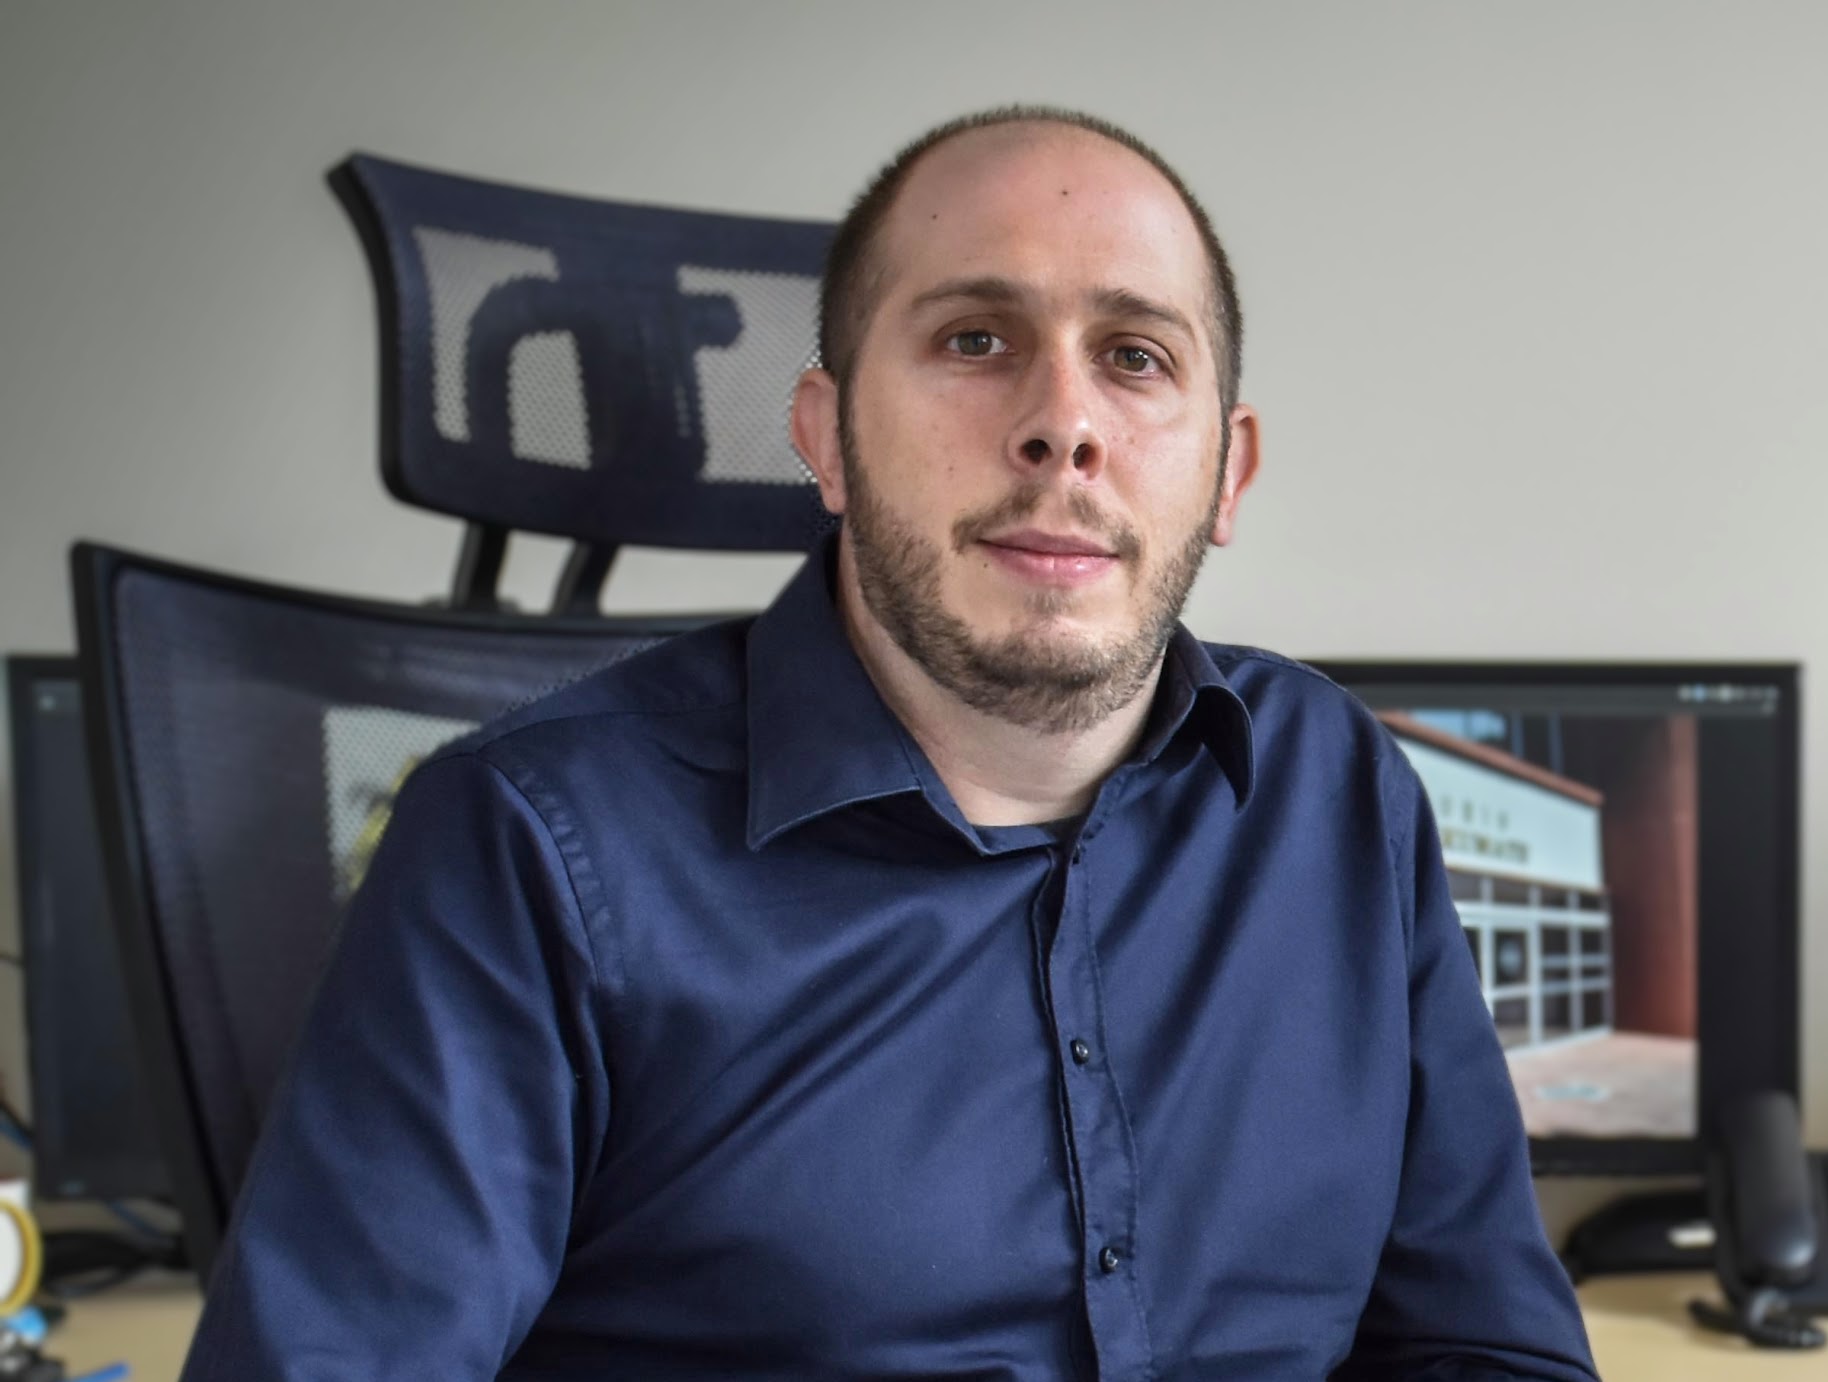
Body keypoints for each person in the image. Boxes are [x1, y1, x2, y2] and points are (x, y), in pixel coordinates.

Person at [190, 108, 1598, 1380]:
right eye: (976, 340)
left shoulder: (1333, 791)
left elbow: (1486, 1343)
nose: (1062, 425)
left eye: (1134, 356)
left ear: (1226, 471)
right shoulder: (531, 849)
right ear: (826, 437)